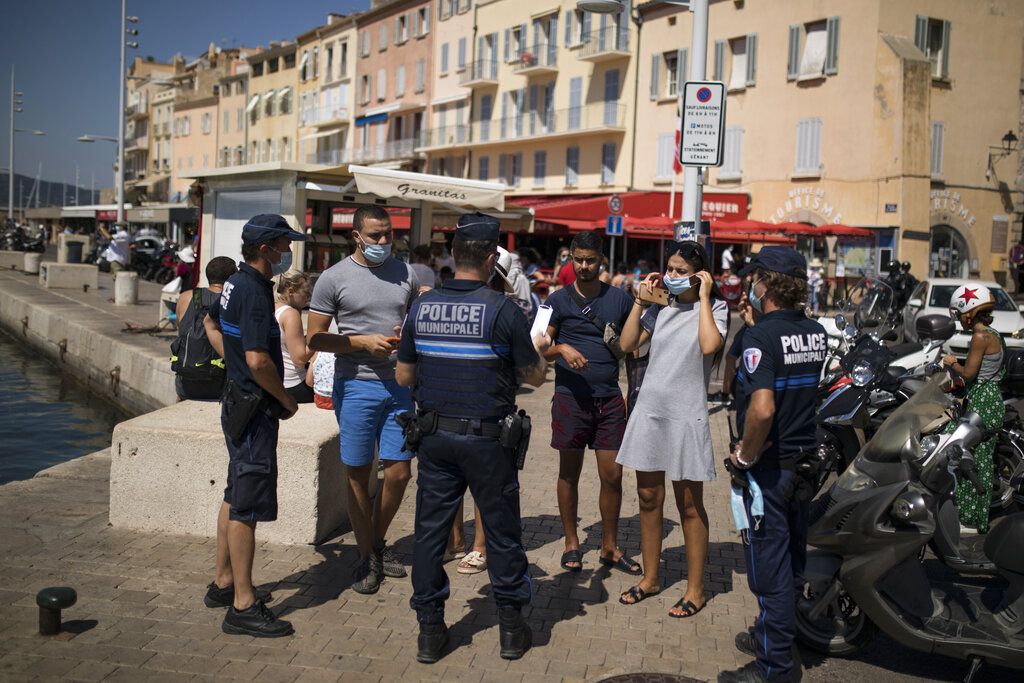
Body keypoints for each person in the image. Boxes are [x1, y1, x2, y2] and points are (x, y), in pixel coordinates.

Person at [395, 212, 551, 664]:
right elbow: (535, 378)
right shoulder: (502, 309)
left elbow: (405, 374)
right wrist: (538, 350)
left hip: (435, 438)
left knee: (430, 535)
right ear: (489, 258)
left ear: (452, 254)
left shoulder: (421, 307)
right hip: (487, 442)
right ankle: (511, 632)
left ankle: (429, 633)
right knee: (502, 535)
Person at [718, 246, 827, 683]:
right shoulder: (815, 330)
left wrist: (744, 455)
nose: (750, 284)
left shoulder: (761, 337)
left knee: (770, 574)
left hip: (770, 468)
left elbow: (762, 410)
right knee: (792, 563)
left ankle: (774, 669)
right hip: (803, 464)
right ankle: (777, 637)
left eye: (754, 277)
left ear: (766, 283)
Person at [307, 205, 420, 594]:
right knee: (358, 475)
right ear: (356, 236)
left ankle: (376, 541)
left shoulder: (406, 273)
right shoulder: (333, 278)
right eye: (375, 236)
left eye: (388, 234)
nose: (384, 242)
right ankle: (367, 554)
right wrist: (359, 342)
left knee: (401, 473)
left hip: (399, 385)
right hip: (356, 384)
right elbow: (315, 339)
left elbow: (415, 321)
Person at [201, 214, 304, 638]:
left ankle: (224, 582)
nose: (287, 253)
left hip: (234, 402)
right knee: (246, 504)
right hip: (254, 408)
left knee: (232, 492)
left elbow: (228, 342)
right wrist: (285, 399)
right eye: (283, 245)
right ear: (266, 250)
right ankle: (243, 604)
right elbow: (260, 360)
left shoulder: (233, 286)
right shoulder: (256, 293)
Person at [616, 241, 727, 617]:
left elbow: (710, 344)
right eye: (670, 269)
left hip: (686, 414)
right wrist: (640, 302)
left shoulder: (714, 310)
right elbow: (628, 344)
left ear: (699, 273)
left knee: (690, 504)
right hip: (651, 411)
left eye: (681, 271)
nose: (672, 276)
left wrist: (706, 297)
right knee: (648, 497)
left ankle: (696, 589)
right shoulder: (661, 307)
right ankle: (651, 578)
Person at [542, 231, 638, 575]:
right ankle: (572, 543)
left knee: (612, 476)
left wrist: (636, 391)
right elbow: (537, 346)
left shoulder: (620, 299)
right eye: (577, 259)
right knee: (569, 473)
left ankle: (609, 546)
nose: (583, 266)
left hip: (610, 399)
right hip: (571, 399)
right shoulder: (555, 300)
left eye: (590, 260)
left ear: (602, 261)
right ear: (570, 258)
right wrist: (561, 349)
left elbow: (633, 347)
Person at [942, 284, 1005, 533]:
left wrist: (951, 362)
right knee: (980, 459)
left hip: (983, 403)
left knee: (965, 456)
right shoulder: (994, 333)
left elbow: (968, 374)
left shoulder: (979, 337)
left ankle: (970, 519)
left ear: (969, 311)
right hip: (992, 399)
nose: (960, 322)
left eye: (960, 315)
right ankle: (977, 517)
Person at [172, 256, 237, 401]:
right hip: (219, 384)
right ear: (231, 279)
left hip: (186, 382)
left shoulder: (187, 297)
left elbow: (181, 330)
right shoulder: (231, 301)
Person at [274, 271, 314, 404]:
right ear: (290, 291)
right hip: (294, 384)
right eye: (306, 293)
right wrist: (318, 342)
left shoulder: (273, 309)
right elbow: (299, 359)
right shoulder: (290, 314)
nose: (308, 297)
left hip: (276, 381)